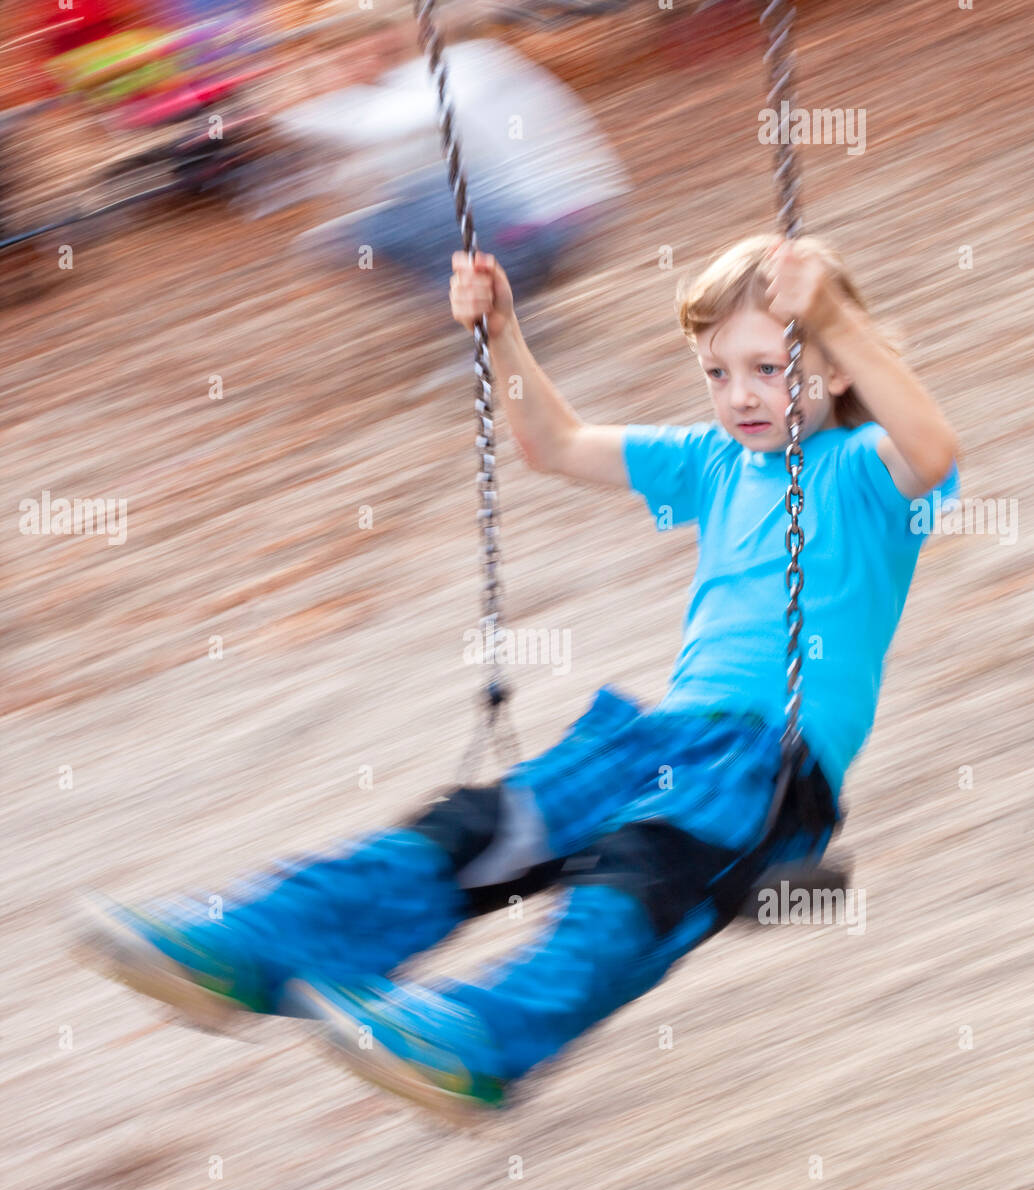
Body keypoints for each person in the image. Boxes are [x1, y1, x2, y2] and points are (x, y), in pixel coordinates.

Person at [79, 234, 960, 1117]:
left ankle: (479, 1039)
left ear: (836, 368)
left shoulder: (863, 473)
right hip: (661, 738)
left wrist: (834, 317)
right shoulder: (715, 460)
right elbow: (556, 442)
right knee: (478, 829)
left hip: (767, 773)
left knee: (632, 879)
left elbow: (932, 445)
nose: (740, 397)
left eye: (769, 366)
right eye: (717, 373)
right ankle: (259, 945)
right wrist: (502, 329)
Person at [274, 10, 629, 296]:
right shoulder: (409, 84)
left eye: (362, 54)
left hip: (556, 216)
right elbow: (372, 168)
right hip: (546, 217)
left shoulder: (461, 65)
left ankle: (500, 319)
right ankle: (495, 314)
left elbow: (388, 123)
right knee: (383, 220)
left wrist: (284, 115)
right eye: (343, 61)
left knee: (391, 221)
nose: (355, 67)